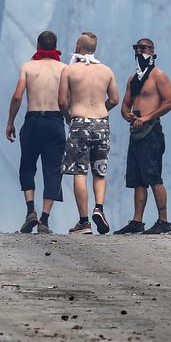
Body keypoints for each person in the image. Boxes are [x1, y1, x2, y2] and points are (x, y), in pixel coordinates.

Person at [57, 31, 119, 234]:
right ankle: (98, 208)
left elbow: (62, 101)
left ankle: (84, 222)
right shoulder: (107, 71)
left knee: (79, 171)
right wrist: (100, 112)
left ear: (78, 46)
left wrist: (69, 117)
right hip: (101, 123)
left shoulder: (69, 70)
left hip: (79, 123)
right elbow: (115, 99)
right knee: (99, 169)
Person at [5, 30, 66, 234]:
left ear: (38, 45)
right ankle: (44, 220)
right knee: (53, 170)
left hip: (33, 121)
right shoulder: (64, 69)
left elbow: (17, 97)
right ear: (55, 46)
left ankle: (30, 210)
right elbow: (66, 99)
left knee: (27, 166)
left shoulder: (28, 67)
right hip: (55, 122)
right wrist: (68, 117)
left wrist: (10, 122)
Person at [114, 37, 171, 234]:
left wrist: (147, 117)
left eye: (143, 48)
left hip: (152, 131)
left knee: (153, 176)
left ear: (152, 51)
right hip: (136, 131)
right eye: (136, 48)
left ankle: (163, 221)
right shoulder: (134, 78)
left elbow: (170, 102)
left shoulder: (158, 75)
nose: (139, 51)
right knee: (137, 178)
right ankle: (137, 221)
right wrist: (127, 114)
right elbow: (125, 105)